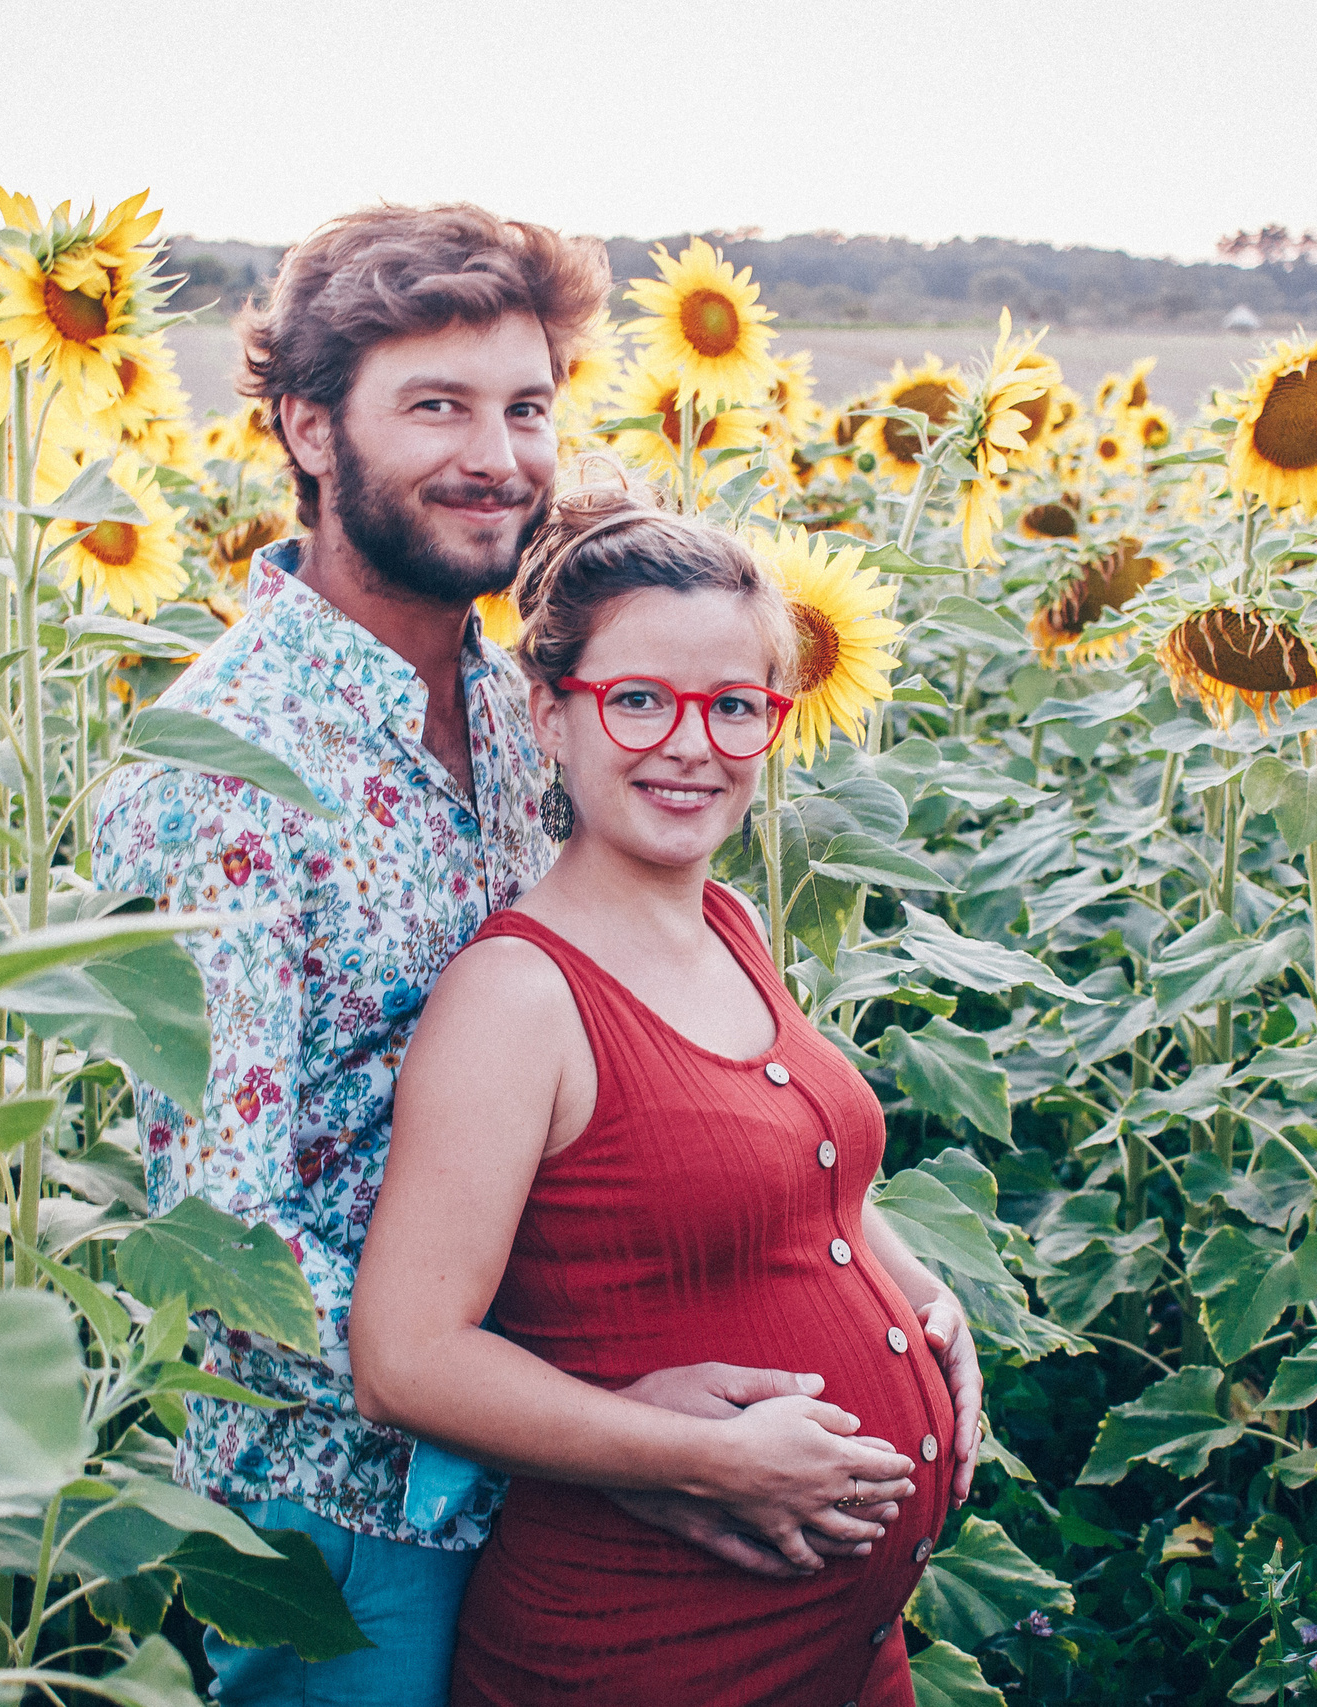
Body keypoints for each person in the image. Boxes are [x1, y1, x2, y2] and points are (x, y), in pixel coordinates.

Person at [92, 207, 910, 1706]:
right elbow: (218, 1244)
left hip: (566, 1481)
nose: (497, 454)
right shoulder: (220, 771)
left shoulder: (525, 687)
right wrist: (605, 1415)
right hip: (343, 1516)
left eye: (525, 407)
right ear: (309, 430)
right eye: (437, 407)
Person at [349, 469, 986, 1707]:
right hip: (648, 1652)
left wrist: (923, 1306)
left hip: (840, 1652)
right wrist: (702, 1458)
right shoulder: (519, 998)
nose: (691, 747)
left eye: (733, 706)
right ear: (550, 713)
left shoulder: (733, 924)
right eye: (637, 701)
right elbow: (405, 1359)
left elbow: (808, 1175)